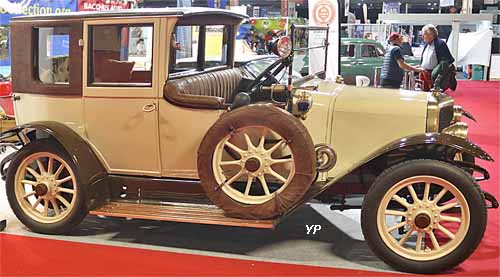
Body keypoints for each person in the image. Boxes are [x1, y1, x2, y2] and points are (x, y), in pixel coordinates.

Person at [419, 24, 457, 91]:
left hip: (434, 75)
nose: (422, 36)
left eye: (424, 34)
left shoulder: (440, 44)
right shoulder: (427, 44)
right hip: (425, 73)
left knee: (434, 93)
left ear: (430, 35)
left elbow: (446, 61)